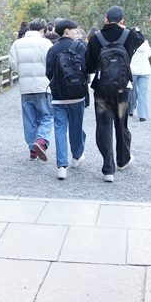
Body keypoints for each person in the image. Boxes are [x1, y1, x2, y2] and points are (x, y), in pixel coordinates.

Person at [84, 6, 146, 181]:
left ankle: (108, 168)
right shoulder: (129, 36)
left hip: (102, 90)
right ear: (122, 20)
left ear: (105, 19)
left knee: (103, 126)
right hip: (123, 88)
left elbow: (89, 67)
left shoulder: (96, 38)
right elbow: (141, 38)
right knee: (122, 124)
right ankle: (123, 160)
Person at [45, 18, 88, 180]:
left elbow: (48, 72)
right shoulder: (78, 46)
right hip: (77, 95)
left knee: (60, 129)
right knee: (76, 127)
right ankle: (76, 157)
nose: (77, 33)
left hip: (58, 96)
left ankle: (61, 166)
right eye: (75, 30)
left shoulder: (52, 49)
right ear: (67, 31)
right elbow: (86, 69)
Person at [8, 18, 53, 162]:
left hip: (25, 87)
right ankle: (41, 140)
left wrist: (22, 72)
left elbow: (13, 64)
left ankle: (32, 149)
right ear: (42, 30)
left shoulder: (17, 43)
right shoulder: (45, 43)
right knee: (47, 115)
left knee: (29, 118)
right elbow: (51, 62)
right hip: (43, 86)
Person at [130, 38, 151, 121]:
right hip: (145, 71)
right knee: (143, 93)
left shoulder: (130, 42)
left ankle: (130, 110)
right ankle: (143, 115)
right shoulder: (145, 43)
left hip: (133, 71)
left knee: (131, 92)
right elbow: (149, 54)